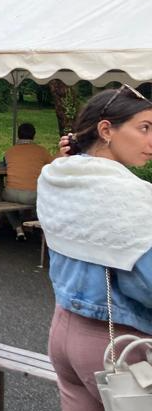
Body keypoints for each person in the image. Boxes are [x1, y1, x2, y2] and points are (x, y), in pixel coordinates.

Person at [37, 85, 152, 411]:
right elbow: (146, 281)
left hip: (63, 329)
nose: (151, 141)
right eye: (144, 128)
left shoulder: (56, 175)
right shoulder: (126, 192)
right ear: (106, 130)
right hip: (118, 341)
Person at [2, 122, 54, 240]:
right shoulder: (42, 151)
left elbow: (5, 164)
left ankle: (18, 230)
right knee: (45, 200)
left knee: (4, 201)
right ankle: (42, 231)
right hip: (32, 194)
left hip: (10, 193)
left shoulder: (10, 151)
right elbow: (52, 166)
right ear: (34, 135)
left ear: (18, 135)